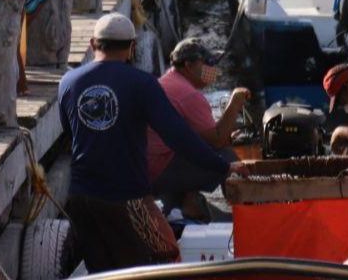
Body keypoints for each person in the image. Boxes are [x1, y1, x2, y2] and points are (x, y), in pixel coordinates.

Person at [59, 14, 232, 273]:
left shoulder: (68, 82)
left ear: (93, 44)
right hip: (128, 198)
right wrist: (223, 167)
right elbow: (179, 136)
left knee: (101, 270)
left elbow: (71, 135)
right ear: (131, 47)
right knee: (165, 254)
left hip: (81, 198)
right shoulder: (142, 84)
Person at [146, 40, 251, 220]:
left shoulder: (167, 81)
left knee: (199, 147)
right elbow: (217, 140)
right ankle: (247, 215)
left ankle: (190, 200)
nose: (213, 71)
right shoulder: (189, 95)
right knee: (227, 158)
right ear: (188, 65)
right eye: (207, 64)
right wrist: (235, 103)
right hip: (159, 170)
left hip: (146, 165)